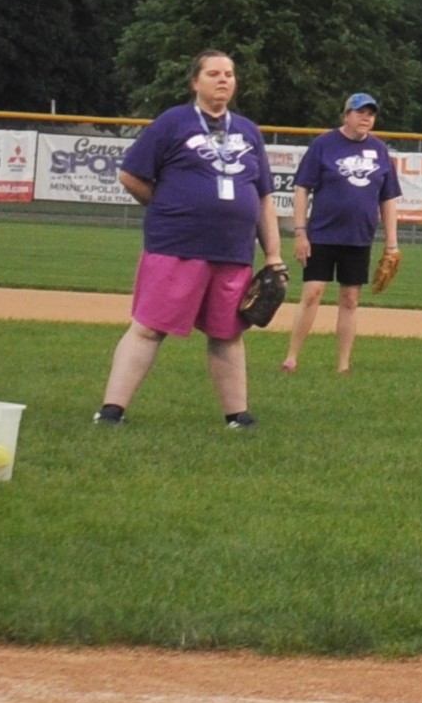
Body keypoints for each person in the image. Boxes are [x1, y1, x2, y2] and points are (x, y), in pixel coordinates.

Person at [97, 50, 284, 428]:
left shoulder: (248, 130)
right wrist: (167, 206)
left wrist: (275, 255)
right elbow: (131, 175)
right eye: (214, 73)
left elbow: (263, 196)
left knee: (227, 333)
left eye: (229, 74)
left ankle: (238, 415)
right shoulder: (174, 122)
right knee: (150, 328)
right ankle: (112, 410)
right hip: (176, 245)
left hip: (233, 250)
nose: (223, 80)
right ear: (195, 81)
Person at [280, 91, 403, 375]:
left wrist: (392, 244)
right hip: (322, 234)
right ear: (346, 114)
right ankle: (291, 357)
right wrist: (300, 232)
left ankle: (343, 365)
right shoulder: (324, 144)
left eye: (370, 113)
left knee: (350, 299)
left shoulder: (379, 150)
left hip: (359, 236)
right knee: (313, 292)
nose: (366, 118)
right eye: (360, 112)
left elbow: (389, 199)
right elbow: (301, 188)